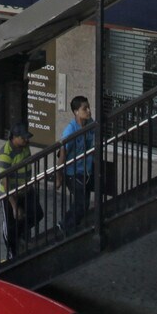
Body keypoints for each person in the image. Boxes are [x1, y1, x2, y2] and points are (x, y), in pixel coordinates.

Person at [0, 126, 39, 256]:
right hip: (11, 193)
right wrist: (14, 206)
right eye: (23, 138)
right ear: (14, 138)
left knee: (37, 214)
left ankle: (20, 237)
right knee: (10, 225)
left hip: (26, 189)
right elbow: (5, 182)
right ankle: (12, 252)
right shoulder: (6, 154)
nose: (26, 140)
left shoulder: (25, 146)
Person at [60, 95, 96, 231]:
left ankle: (66, 223)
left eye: (88, 107)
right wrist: (58, 175)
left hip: (86, 170)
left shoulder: (90, 123)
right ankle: (67, 227)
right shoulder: (70, 130)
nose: (89, 111)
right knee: (82, 202)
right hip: (73, 172)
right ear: (76, 112)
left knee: (83, 202)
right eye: (85, 109)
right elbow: (63, 152)